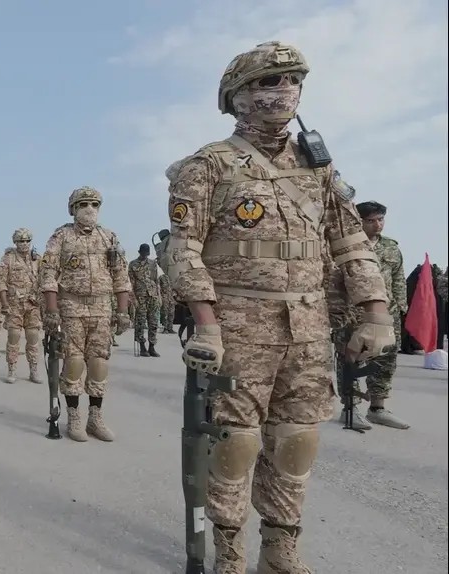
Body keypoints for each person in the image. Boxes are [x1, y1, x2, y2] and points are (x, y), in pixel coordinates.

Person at [165, 41, 395, 573]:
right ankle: (229, 548)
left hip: (308, 327)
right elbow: (182, 250)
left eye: (294, 81)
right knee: (235, 443)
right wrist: (206, 325)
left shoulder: (318, 166)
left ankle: (280, 547)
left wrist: (375, 310)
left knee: (296, 440)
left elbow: (350, 242)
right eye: (271, 81)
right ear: (237, 95)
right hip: (239, 329)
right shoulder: (207, 165)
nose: (285, 91)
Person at [40, 186, 131, 443]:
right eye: (83, 204)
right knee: (74, 361)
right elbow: (48, 274)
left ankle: (95, 417)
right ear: (73, 209)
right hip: (71, 307)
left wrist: (123, 311)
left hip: (101, 308)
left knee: (99, 362)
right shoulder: (62, 237)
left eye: (94, 204)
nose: (89, 209)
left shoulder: (109, 237)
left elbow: (121, 276)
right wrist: (51, 310)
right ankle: (74, 416)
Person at [331, 201, 410, 430]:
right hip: (352, 314)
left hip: (386, 314)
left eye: (380, 220)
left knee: (386, 359)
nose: (377, 225)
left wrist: (401, 307)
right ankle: (350, 408)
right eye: (371, 221)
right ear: (359, 221)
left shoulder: (391, 247)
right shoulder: (346, 246)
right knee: (349, 360)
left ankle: (377, 408)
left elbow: (398, 279)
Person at [0, 228, 43, 382]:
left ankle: (33, 370)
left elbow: (44, 280)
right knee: (14, 337)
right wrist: (4, 304)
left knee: (33, 337)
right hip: (14, 305)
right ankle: (12, 369)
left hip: (33, 304)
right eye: (21, 241)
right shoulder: (8, 259)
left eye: (27, 241)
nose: (24, 244)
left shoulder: (37, 259)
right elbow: (1, 283)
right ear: (15, 242)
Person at [129, 243, 161, 357]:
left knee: (153, 322)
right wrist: (133, 299)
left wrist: (159, 296)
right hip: (140, 297)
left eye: (147, 253)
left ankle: (152, 347)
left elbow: (156, 281)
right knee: (140, 323)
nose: (145, 255)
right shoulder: (133, 264)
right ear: (139, 252)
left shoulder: (153, 264)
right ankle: (142, 347)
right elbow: (130, 283)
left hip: (152, 296)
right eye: (143, 253)